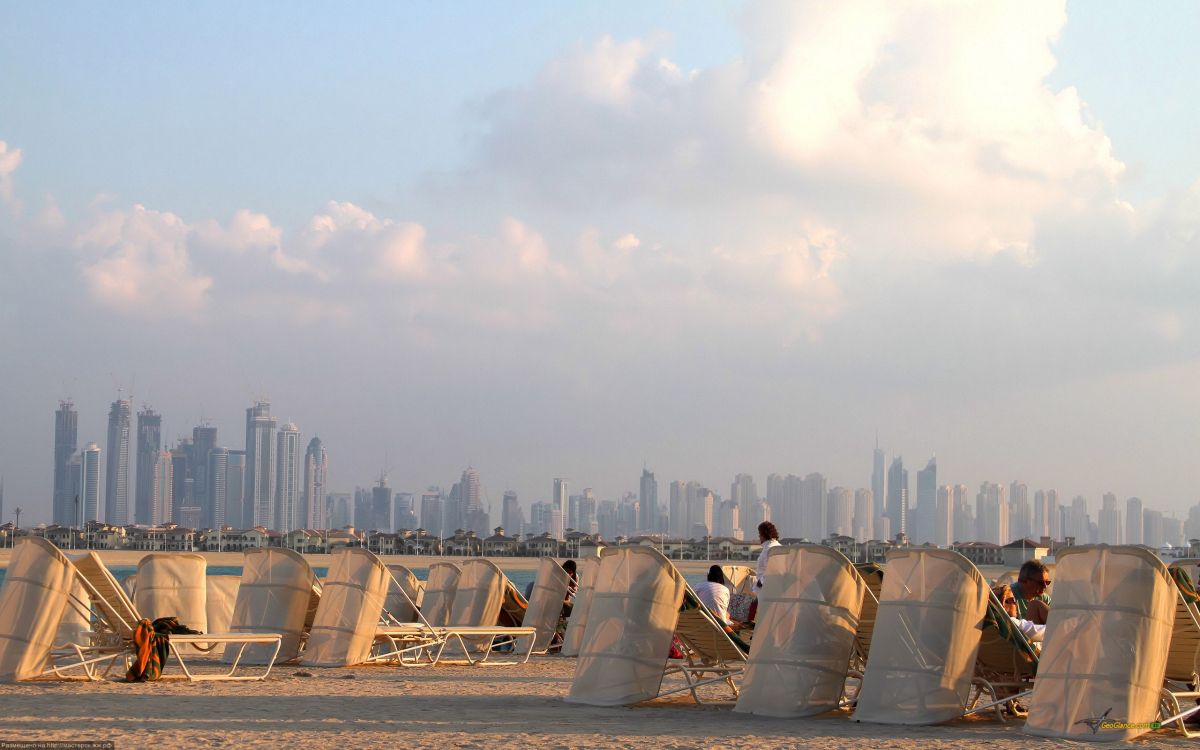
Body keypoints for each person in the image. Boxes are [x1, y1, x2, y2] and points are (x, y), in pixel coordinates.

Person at [1013, 559, 1051, 625]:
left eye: (1047, 582)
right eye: (1040, 583)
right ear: (1024, 581)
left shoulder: (1045, 599)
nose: (1045, 586)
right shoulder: (1009, 597)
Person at [755, 521, 781, 590]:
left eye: (760, 534)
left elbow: (772, 570)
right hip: (773, 587)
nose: (759, 537)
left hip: (764, 589)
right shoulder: (778, 546)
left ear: (764, 535)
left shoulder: (769, 549)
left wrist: (760, 583)